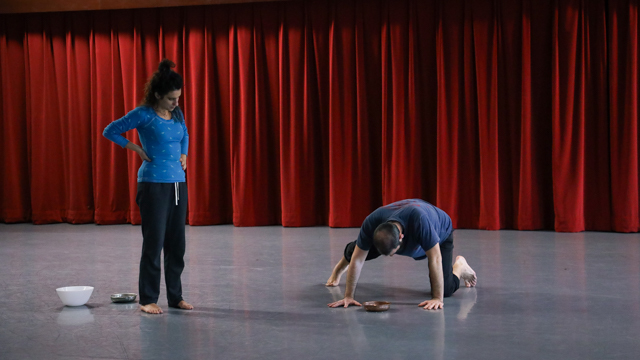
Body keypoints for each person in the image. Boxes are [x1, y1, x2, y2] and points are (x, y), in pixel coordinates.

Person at [103, 59, 193, 314]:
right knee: (154, 243)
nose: (176, 103)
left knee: (177, 245)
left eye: (178, 98)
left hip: (178, 185)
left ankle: (176, 297)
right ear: (157, 95)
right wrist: (135, 148)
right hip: (153, 186)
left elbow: (184, 133)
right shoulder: (143, 114)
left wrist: (184, 153)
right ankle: (147, 299)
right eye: (171, 99)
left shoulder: (177, 113)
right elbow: (110, 130)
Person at [326, 199, 477, 310]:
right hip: (404, 223)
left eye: (393, 253)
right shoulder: (371, 222)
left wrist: (437, 298)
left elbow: (435, 258)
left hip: (440, 232)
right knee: (357, 248)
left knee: (446, 290)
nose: (392, 257)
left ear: (400, 237)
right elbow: (358, 259)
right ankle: (338, 269)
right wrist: (348, 296)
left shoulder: (420, 221)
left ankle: (460, 266)